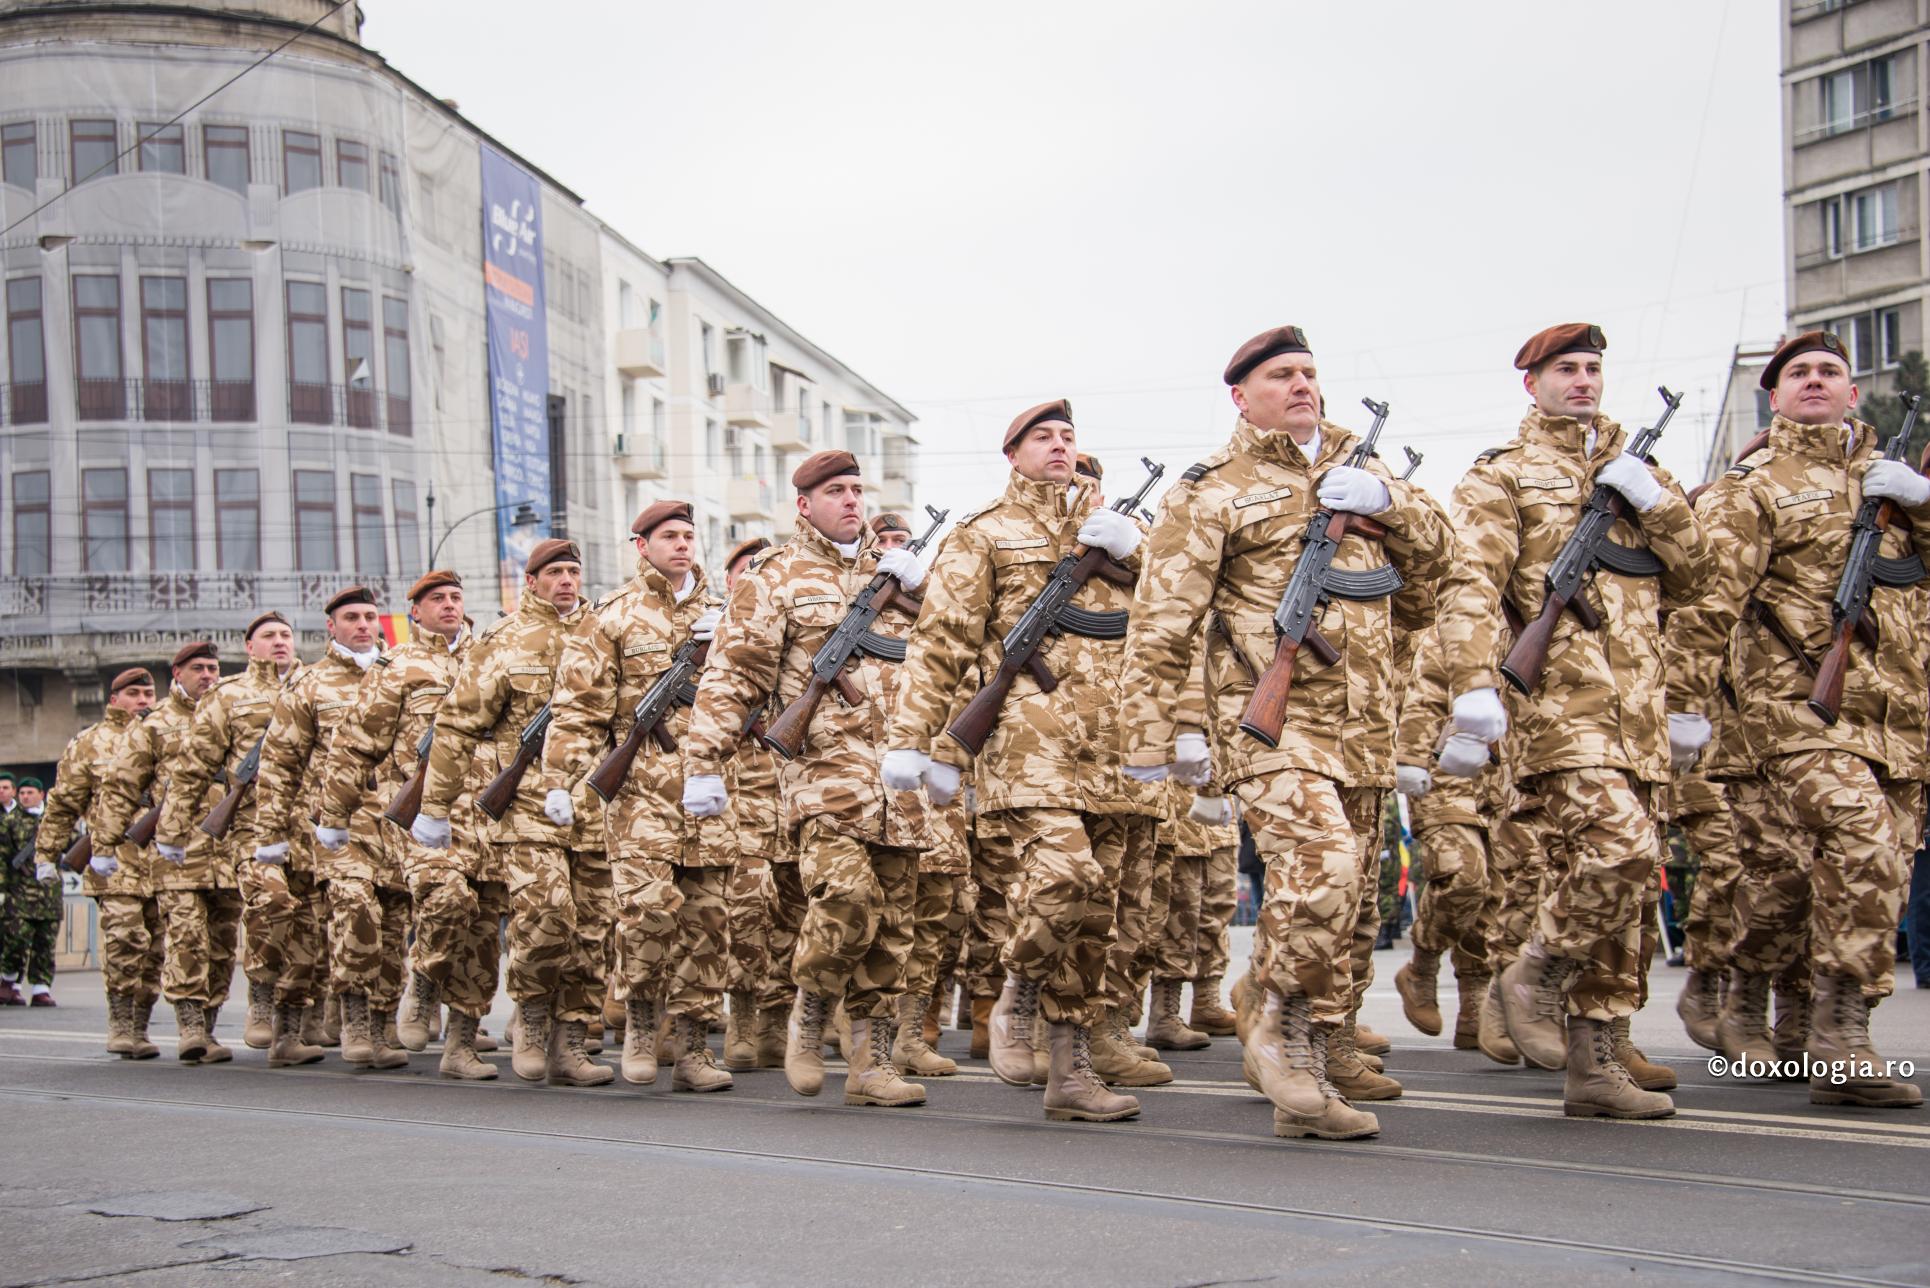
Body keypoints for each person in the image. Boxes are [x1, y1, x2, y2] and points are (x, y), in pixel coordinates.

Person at [1119, 326, 1452, 1140]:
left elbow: (1438, 576)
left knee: (1348, 904)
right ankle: (1274, 1026)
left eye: (1309, 372)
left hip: (1366, 725)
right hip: (1273, 726)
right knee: (1322, 865)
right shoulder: (1212, 490)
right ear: (1241, 395)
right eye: (1280, 375)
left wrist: (1391, 504)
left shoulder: (1362, 473)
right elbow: (1163, 620)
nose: (1301, 384)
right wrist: (1156, 736)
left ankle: (1318, 1043)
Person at [1434, 322, 1710, 1120]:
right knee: (1620, 849)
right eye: (1567, 370)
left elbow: (1698, 581)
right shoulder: (1504, 476)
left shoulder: (1642, 476)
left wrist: (1658, 505)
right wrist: (1472, 686)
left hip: (1640, 714)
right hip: (1558, 707)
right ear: (1533, 384)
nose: (1583, 381)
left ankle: (1596, 1060)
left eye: (1593, 369)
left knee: (1624, 892)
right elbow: (1471, 584)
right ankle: (1535, 971)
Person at [1664, 329, 1928, 1109]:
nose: (1815, 380)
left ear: (1855, 391)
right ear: (1772, 397)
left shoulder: (1896, 484)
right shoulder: (1753, 489)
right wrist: (1682, 707)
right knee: (1857, 846)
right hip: (1796, 710)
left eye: (1830, 371)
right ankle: (1841, 1033)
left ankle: (1782, 1008)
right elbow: (1708, 605)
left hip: (1901, 718)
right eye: (1797, 373)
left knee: (1867, 877)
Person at [889, 400, 1160, 1122]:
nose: (1060, 446)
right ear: (1012, 453)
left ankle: (1070, 1072)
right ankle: (1019, 987)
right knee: (1065, 877)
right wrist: (915, 741)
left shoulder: (1128, 536)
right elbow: (940, 639)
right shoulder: (985, 534)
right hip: (1026, 740)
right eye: (1043, 436)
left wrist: (1140, 554)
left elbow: (1180, 616)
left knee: (1096, 912)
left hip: (1115, 749)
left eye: (1069, 436)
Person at [683, 449, 933, 1109]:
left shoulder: (898, 578)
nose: (852, 500)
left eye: (857, 490)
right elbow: (733, 673)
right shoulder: (777, 578)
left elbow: (951, 658)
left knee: (894, 923)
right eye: (835, 491)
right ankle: (812, 1006)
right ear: (804, 505)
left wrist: (927, 590)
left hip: (900, 779)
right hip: (824, 772)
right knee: (846, 900)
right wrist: (703, 760)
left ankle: (871, 1066)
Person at [542, 500, 736, 1093]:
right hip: (639, 798)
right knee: (647, 914)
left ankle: (695, 1049)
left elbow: (757, 696)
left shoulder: (726, 615)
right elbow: (578, 708)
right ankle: (642, 1023)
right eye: (668, 536)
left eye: (687, 535)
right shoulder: (612, 618)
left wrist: (727, 646)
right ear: (641, 546)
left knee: (708, 923)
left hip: (710, 794)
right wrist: (559, 779)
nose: (681, 545)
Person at [415, 539, 613, 1087]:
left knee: (593, 933)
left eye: (574, 571)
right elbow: (457, 725)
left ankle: (570, 1043)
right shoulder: (503, 642)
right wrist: (435, 806)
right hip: (524, 807)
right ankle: (529, 1015)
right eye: (554, 572)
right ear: (531, 582)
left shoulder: (607, 633)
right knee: (548, 915)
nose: (567, 580)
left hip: (593, 804)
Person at [252, 586, 406, 1070]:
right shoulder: (310, 685)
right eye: (352, 618)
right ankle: (353, 1021)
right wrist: (271, 838)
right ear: (331, 628)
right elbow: (279, 765)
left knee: (394, 929)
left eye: (369, 617)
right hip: (332, 829)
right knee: (352, 912)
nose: (363, 625)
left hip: (396, 827)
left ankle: (383, 1027)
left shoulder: (401, 674)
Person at [156, 611, 300, 1051]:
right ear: (249, 646)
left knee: (308, 931)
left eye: (286, 635)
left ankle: (292, 1031)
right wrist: (171, 831)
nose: (279, 642)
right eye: (268, 636)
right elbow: (193, 767)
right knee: (267, 905)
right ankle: (231, 1011)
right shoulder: (229, 696)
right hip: (253, 828)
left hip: (310, 829)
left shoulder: (311, 685)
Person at [96, 642, 238, 1062]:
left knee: (222, 945)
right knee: (186, 937)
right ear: (177, 674)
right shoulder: (155, 724)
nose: (208, 675)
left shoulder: (232, 712)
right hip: (175, 854)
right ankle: (189, 1027)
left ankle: (209, 1027)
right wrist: (104, 844)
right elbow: (120, 787)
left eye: (213, 668)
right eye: (198, 668)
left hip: (226, 852)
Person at [36, 668, 162, 1057]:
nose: (143, 701)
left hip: (161, 860)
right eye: (135, 694)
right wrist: (45, 853)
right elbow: (62, 804)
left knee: (155, 950)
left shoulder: (166, 735)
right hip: (113, 857)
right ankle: (121, 1023)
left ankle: (140, 1026)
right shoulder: (89, 743)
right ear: (114, 700)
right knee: (126, 938)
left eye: (149, 694)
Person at [0, 777, 57, 1006]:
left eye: (29, 792)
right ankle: (9, 981)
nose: (25, 796)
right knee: (16, 939)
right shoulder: (10, 821)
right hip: (19, 893)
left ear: (41, 794)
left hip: (49, 893)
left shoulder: (53, 820)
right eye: (22, 793)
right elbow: (2, 857)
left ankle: (41, 989)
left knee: (45, 942)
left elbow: (70, 844)